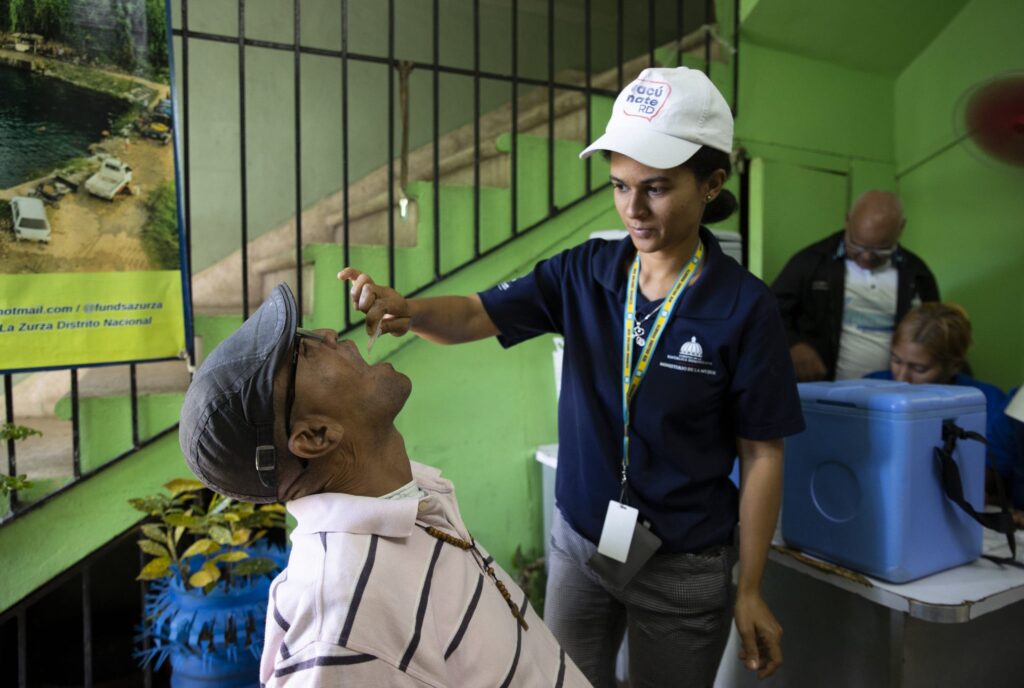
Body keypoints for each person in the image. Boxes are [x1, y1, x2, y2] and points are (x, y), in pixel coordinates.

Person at [339, 66, 804, 687]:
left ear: (711, 184)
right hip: (581, 542)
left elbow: (762, 453)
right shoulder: (588, 271)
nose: (633, 209)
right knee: (562, 679)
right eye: (619, 185)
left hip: (684, 562)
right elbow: (478, 312)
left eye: (656, 189)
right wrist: (410, 310)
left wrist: (749, 587)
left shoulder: (744, 308)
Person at [178, 284, 590, 687]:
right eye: (303, 349)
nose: (327, 334)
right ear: (316, 435)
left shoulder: (406, 510)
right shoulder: (344, 620)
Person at [771, 190, 940, 382]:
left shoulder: (917, 274)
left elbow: (934, 333)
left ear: (900, 229)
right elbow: (768, 312)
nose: (866, 257)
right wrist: (793, 344)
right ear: (847, 220)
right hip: (824, 391)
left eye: (880, 250)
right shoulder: (811, 262)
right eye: (857, 246)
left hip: (894, 396)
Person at [865, 303, 1014, 500]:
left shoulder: (987, 402)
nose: (901, 378)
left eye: (919, 369)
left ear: (954, 365)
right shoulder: (870, 389)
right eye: (896, 361)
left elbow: (988, 478)